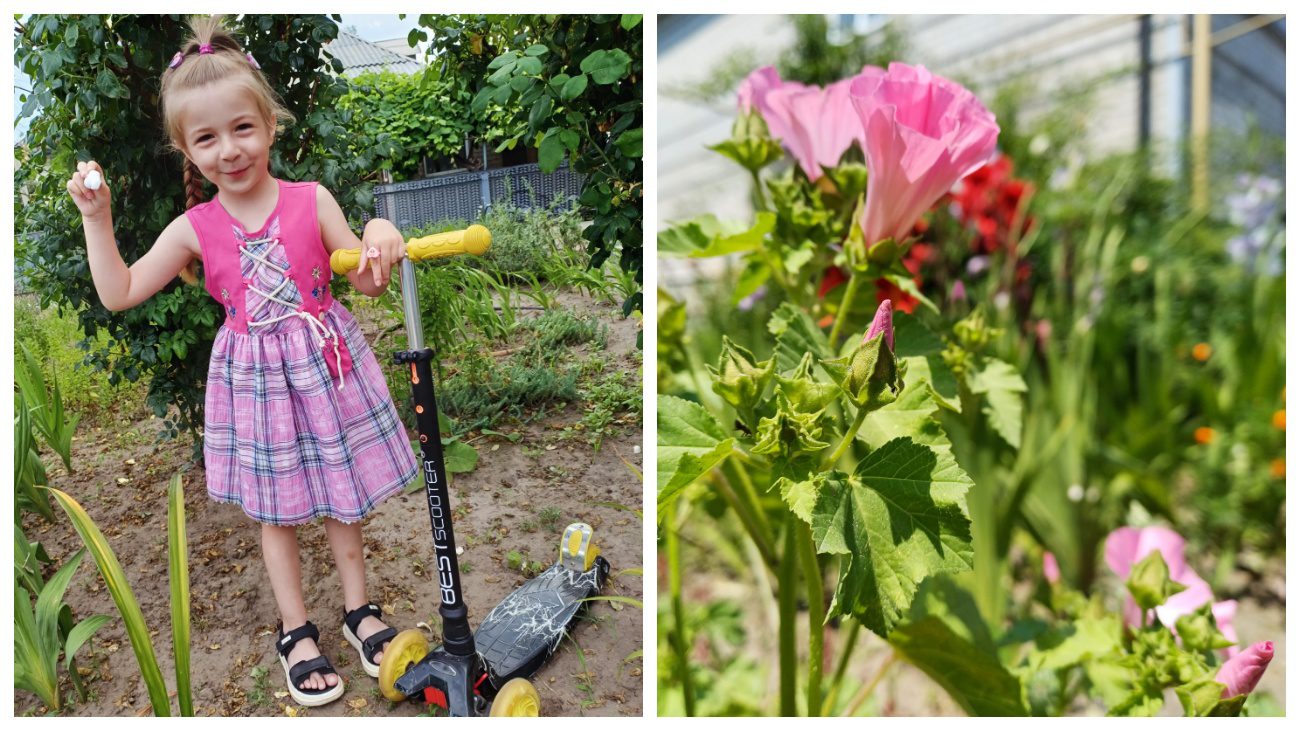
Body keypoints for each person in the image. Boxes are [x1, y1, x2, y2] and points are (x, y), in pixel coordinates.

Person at [67, 16, 415, 708]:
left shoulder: (309, 200)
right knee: (275, 512)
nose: (229, 149)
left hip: (325, 371)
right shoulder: (194, 228)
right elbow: (120, 291)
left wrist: (380, 231)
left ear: (269, 125)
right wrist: (97, 218)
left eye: (242, 128)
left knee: (343, 495)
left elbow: (366, 277)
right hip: (255, 388)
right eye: (206, 137)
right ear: (185, 150)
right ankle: (297, 631)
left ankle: (358, 610)